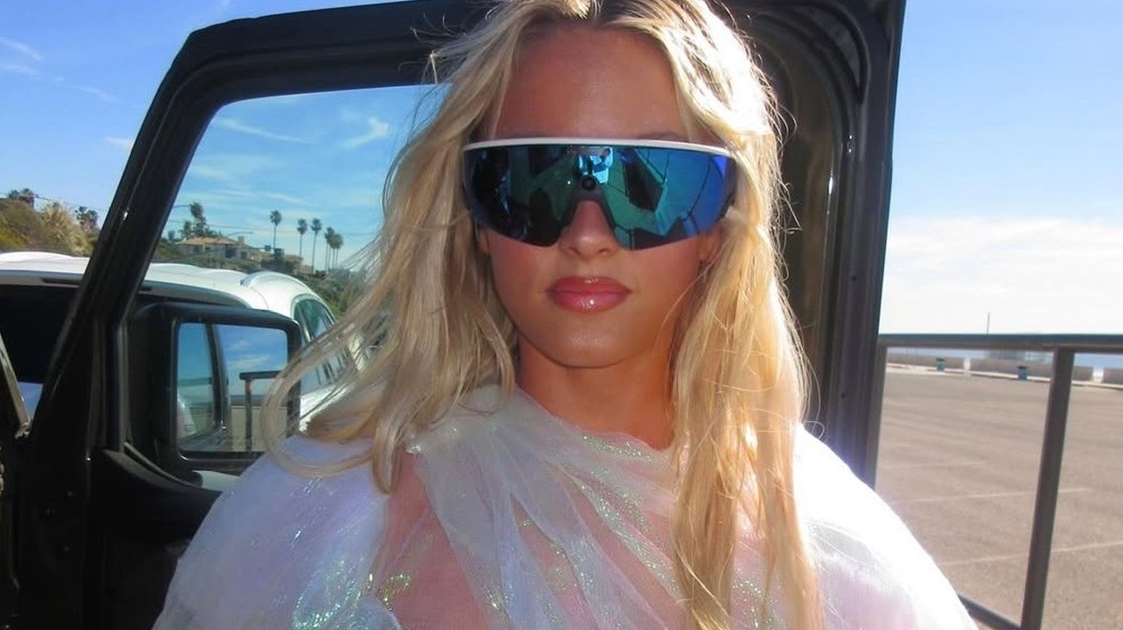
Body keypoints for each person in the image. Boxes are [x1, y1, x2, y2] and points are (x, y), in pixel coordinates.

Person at [156, 1, 975, 628]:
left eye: (650, 183)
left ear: (718, 228)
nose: (588, 233)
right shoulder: (331, 504)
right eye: (532, 179)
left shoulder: (827, 549)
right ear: (476, 218)